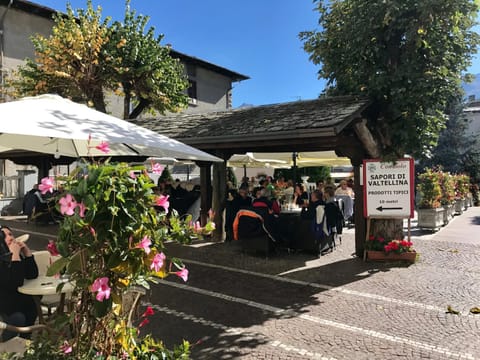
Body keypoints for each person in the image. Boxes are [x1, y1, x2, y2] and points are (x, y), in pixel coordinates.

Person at [0, 226, 39, 341]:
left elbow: (32, 275)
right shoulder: (5, 258)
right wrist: (15, 256)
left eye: (11, 234)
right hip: (5, 306)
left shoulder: (13, 253)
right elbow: (15, 282)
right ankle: (4, 341)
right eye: (4, 236)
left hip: (20, 301)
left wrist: (27, 253)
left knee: (32, 306)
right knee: (19, 318)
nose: (10, 238)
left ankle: (25, 339)